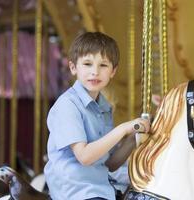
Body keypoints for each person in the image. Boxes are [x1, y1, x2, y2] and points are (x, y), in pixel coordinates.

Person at [44, 32, 150, 200]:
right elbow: (85, 157)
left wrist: (133, 138)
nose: (95, 72)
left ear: (113, 71)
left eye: (103, 65)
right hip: (75, 190)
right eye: (87, 64)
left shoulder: (103, 107)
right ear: (73, 68)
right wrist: (123, 129)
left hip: (101, 187)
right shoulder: (67, 105)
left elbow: (110, 164)